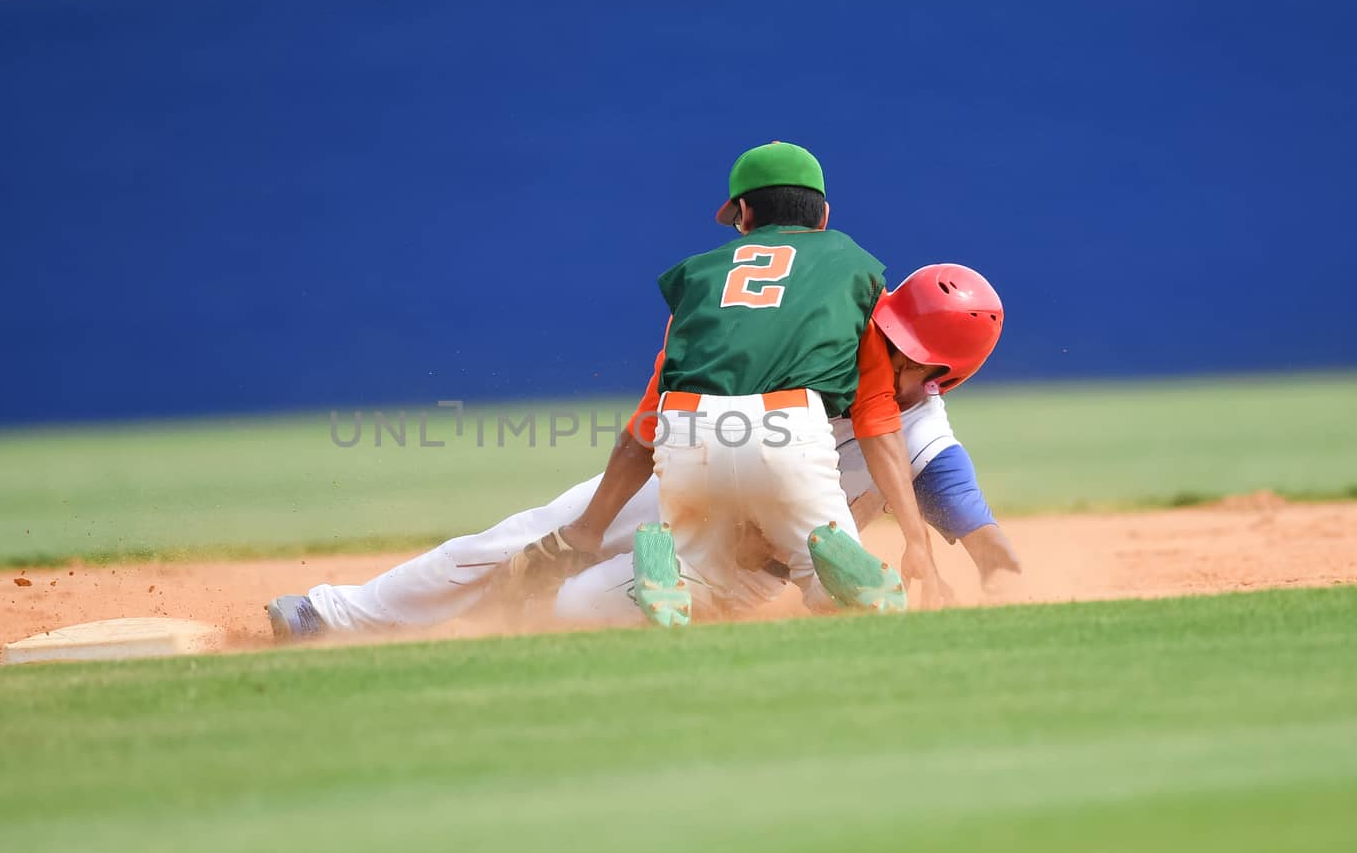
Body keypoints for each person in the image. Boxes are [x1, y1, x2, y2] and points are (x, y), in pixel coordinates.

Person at [267, 263, 1015, 642]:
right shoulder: (817, 346)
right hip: (682, 484)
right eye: (884, 331)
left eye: (904, 352)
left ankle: (563, 606)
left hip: (733, 566)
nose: (881, 350)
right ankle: (332, 615)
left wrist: (994, 566)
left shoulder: (923, 436)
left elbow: (967, 512)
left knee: (571, 608)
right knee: (525, 538)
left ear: (944, 376)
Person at [508, 140, 934, 627]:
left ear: (746, 214)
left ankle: (677, 573)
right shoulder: (855, 268)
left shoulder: (701, 280)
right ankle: (833, 574)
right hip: (790, 427)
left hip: (687, 427)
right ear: (824, 215)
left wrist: (589, 529)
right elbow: (876, 416)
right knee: (822, 584)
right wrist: (915, 539)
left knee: (693, 581)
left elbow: (646, 426)